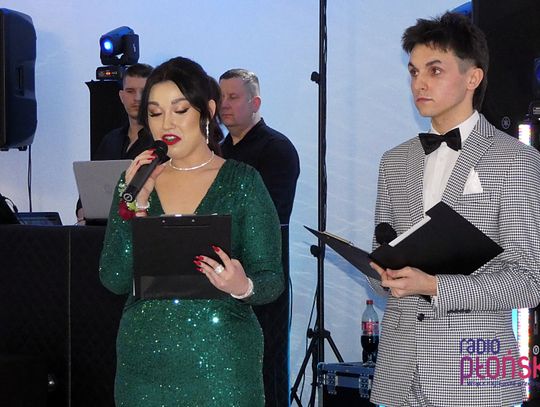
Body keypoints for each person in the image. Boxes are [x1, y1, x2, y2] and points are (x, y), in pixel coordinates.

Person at [367, 12, 540, 407]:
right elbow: (382, 263)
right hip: (398, 372)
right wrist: (382, 274)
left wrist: (435, 286)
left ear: (472, 77)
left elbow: (529, 282)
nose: (419, 83)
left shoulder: (515, 160)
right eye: (413, 72)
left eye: (435, 70)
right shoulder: (394, 162)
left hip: (474, 371)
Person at [99, 56, 284, 407]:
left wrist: (243, 286)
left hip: (223, 364)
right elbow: (114, 279)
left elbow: (272, 280)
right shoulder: (135, 182)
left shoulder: (242, 182)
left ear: (207, 111)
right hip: (144, 365)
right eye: (155, 113)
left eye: (180, 110)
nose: (166, 123)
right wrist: (136, 206)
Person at [219, 69, 300, 407]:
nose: (224, 104)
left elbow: (271, 216)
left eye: (233, 97)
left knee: (265, 365)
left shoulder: (277, 149)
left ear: (255, 103)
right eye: (220, 97)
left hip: (261, 277)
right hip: (221, 278)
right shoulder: (217, 151)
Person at [76, 63, 154, 223]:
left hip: (142, 229)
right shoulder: (110, 140)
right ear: (121, 96)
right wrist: (82, 211)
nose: (137, 98)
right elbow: (90, 186)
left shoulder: (160, 144)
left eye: (144, 92)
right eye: (130, 91)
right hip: (102, 228)